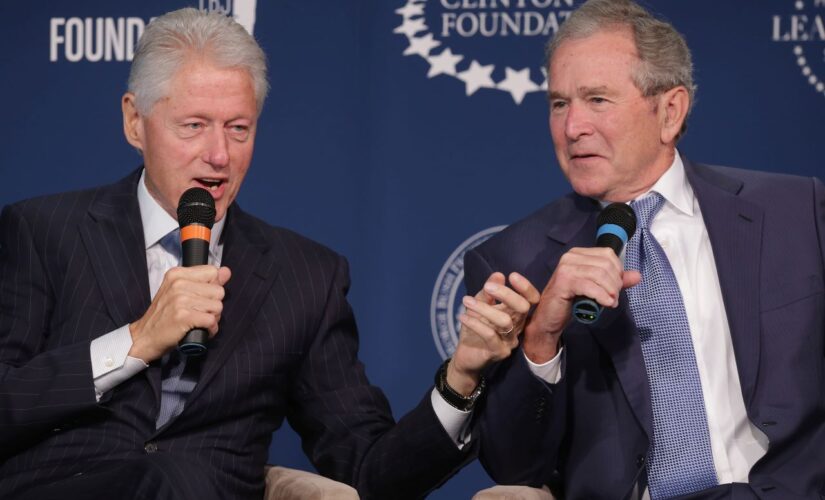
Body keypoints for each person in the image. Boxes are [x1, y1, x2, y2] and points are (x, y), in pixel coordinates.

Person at [0, 8, 532, 499]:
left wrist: (461, 379)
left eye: (239, 129)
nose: (218, 155)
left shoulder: (304, 277)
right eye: (194, 126)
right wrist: (137, 341)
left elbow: (371, 471)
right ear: (135, 122)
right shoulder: (45, 231)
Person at [466, 0, 825, 498]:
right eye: (559, 104)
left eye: (597, 99)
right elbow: (514, 465)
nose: (572, 128)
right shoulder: (513, 263)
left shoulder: (797, 212)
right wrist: (542, 338)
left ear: (669, 111)